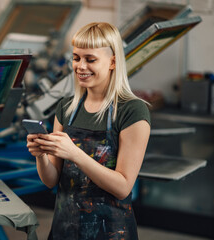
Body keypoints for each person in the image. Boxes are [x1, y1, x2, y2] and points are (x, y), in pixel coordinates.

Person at [26, 22, 151, 240]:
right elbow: (51, 180)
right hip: (64, 229)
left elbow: (122, 187)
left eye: (90, 59)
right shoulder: (66, 108)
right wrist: (41, 156)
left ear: (112, 62)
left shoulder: (132, 111)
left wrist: (74, 154)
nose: (80, 66)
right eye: (76, 58)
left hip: (110, 231)